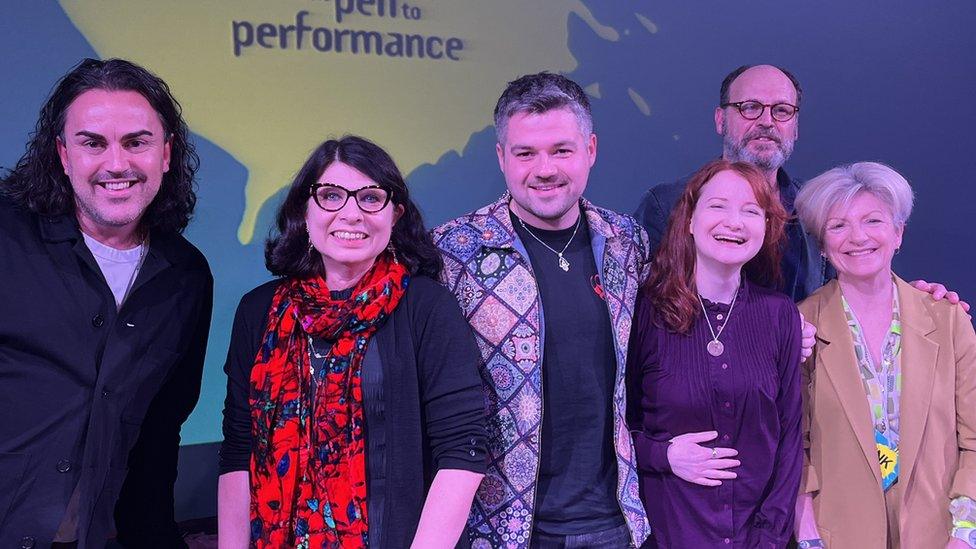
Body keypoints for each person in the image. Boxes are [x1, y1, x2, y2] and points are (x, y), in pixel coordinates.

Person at [217, 135, 487, 548]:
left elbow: (462, 448)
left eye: (370, 198)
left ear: (394, 214)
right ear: (303, 211)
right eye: (331, 196)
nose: (351, 213)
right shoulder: (258, 311)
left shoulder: (427, 307)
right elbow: (239, 449)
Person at [0, 58, 213, 548]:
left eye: (136, 142)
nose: (117, 163)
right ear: (62, 153)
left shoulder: (187, 275)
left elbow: (159, 437)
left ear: (166, 153)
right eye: (92, 142)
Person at [433, 72, 651, 547]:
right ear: (501, 158)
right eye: (525, 153)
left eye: (561, 150)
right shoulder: (455, 250)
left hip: (616, 521)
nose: (544, 168)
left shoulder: (626, 242)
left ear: (591, 149)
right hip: (502, 525)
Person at [634, 64, 967, 309]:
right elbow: (640, 312)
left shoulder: (817, 209)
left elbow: (853, 297)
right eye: (750, 107)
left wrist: (908, 303)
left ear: (794, 126)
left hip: (803, 390)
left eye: (781, 111)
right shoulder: (668, 205)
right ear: (721, 119)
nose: (766, 121)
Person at [793, 162, 976, 548]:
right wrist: (809, 537)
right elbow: (794, 446)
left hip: (939, 535)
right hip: (838, 535)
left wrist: (964, 533)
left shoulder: (947, 319)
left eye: (873, 221)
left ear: (898, 234)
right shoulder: (799, 326)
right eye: (838, 225)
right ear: (823, 244)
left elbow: (973, 438)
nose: (857, 237)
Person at [628, 159, 802, 547]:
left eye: (751, 211)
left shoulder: (780, 315)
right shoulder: (644, 312)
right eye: (718, 206)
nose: (734, 222)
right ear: (689, 220)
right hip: (668, 533)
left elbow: (790, 438)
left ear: (767, 228)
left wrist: (768, 538)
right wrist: (665, 456)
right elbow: (615, 427)